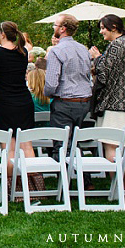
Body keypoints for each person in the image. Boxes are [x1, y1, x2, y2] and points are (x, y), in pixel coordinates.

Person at [89, 14, 125, 184]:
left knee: (111, 145)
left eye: (103, 28)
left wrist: (97, 57)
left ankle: (117, 188)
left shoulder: (115, 45)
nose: (101, 32)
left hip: (114, 104)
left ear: (114, 27)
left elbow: (104, 73)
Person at [0, 21, 40, 190]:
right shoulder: (23, 52)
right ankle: (34, 187)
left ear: (2, 34)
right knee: (26, 145)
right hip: (23, 102)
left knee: (8, 147)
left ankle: (13, 187)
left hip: (3, 103)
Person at [44, 14, 92, 161]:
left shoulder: (56, 51)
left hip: (65, 101)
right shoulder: (83, 49)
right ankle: (86, 180)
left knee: (62, 144)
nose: (53, 27)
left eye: (55, 25)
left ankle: (65, 180)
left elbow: (51, 83)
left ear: (62, 29)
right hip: (84, 101)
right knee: (75, 143)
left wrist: (47, 93)